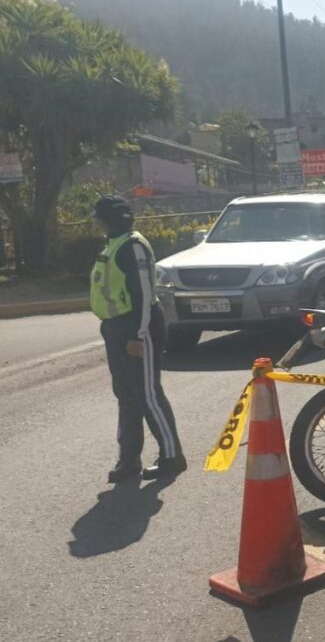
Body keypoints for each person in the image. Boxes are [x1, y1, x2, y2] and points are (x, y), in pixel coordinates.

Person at [91, 195, 185, 483]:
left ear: (111, 219)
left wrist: (138, 335)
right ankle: (128, 461)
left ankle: (172, 457)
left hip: (137, 328)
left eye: (99, 217)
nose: (96, 222)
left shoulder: (132, 246)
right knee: (126, 395)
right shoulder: (114, 243)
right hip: (116, 328)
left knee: (147, 394)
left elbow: (144, 295)